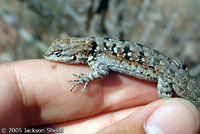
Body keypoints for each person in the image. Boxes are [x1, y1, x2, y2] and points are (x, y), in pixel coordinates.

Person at [0, 59, 199, 134]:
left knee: (167, 104)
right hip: (172, 67)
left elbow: (102, 72)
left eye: (60, 54)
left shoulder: (96, 58)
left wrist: (86, 78)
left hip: (165, 74)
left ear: (76, 55)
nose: (54, 58)